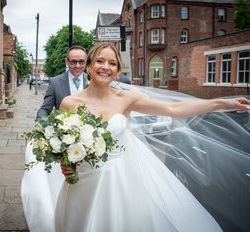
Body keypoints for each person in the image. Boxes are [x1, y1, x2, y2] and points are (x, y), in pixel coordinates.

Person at [21, 42, 250, 232]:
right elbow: (65, 143)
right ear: (89, 66)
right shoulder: (70, 103)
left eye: (112, 63)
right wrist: (65, 165)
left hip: (122, 181)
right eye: (100, 61)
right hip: (84, 182)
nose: (105, 67)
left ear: (117, 70)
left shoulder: (126, 99)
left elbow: (174, 109)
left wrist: (222, 103)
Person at [36, 45, 88, 121]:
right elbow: (45, 109)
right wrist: (40, 123)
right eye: (73, 62)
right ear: (67, 61)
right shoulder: (55, 83)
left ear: (86, 61)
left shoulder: (93, 81)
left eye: (81, 61)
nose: (77, 65)